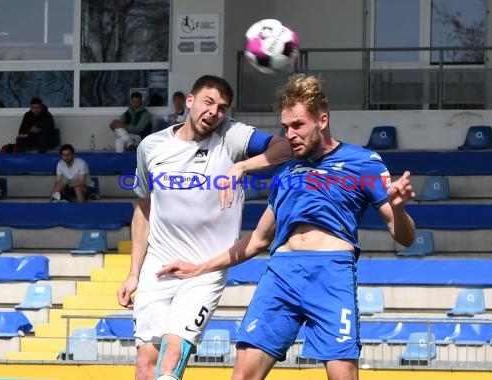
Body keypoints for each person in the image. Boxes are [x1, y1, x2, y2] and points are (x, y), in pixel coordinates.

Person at [157, 74, 417, 380]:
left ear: (322, 120)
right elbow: (257, 241)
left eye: (297, 125)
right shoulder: (286, 172)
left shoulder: (364, 162)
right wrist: (200, 267)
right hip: (280, 275)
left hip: (331, 276)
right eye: (285, 127)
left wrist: (399, 210)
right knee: (241, 376)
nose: (289, 134)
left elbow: (406, 238)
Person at [116, 75, 292, 380]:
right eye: (208, 102)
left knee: (172, 357)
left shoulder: (232, 135)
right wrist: (133, 273)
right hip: (157, 267)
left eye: (222, 108)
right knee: (146, 364)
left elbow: (286, 148)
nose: (214, 112)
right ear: (190, 101)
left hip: (204, 271)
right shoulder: (150, 147)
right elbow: (143, 210)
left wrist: (241, 166)